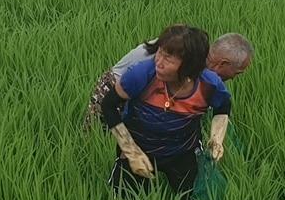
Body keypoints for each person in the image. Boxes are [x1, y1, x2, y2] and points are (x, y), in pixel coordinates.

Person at [98, 24, 232, 200]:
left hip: (182, 152)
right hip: (138, 148)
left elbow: (222, 109)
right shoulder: (142, 74)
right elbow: (109, 106)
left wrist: (217, 139)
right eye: (159, 53)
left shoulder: (209, 85)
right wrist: (130, 151)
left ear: (189, 65)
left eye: (168, 58)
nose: (158, 62)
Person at [84, 31, 253, 130]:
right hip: (115, 88)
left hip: (142, 94)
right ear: (223, 63)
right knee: (99, 137)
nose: (234, 77)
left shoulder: (205, 73)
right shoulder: (182, 56)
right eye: (237, 72)